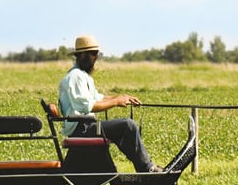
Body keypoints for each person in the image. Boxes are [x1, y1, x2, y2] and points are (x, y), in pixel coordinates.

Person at [58, 34, 167, 173]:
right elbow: (88, 106)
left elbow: (97, 98)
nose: (96, 57)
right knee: (128, 125)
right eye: (93, 53)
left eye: (96, 53)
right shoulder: (76, 77)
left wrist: (122, 97)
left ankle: (145, 167)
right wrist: (116, 102)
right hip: (83, 130)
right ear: (82, 55)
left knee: (126, 128)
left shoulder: (82, 75)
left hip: (87, 127)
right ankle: (146, 168)